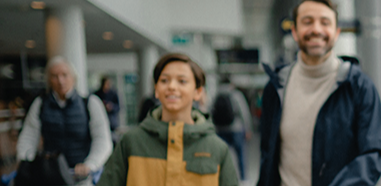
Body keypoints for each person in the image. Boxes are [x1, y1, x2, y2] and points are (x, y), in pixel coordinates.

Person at [258, 0, 381, 186]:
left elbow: (374, 153)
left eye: (325, 22)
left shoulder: (358, 86)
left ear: (336, 32)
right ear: (294, 31)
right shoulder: (277, 86)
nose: (316, 29)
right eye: (307, 22)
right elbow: (267, 156)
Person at [98, 53, 239, 186]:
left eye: (182, 81)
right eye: (164, 80)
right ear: (156, 89)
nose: (171, 87)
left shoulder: (217, 148)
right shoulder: (131, 142)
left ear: (198, 92)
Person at [17, 56, 112, 185]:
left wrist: (90, 164)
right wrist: (26, 161)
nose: (60, 81)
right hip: (51, 175)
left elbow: (103, 140)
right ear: (49, 80)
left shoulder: (90, 103)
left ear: (73, 77)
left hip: (81, 178)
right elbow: (28, 136)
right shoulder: (40, 104)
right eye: (55, 76)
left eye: (64, 75)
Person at [211, 76, 253, 181]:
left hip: (220, 130)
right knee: (240, 155)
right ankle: (243, 179)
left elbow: (210, 112)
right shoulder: (236, 94)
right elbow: (244, 112)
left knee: (221, 156)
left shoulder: (216, 94)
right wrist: (248, 128)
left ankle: (220, 178)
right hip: (236, 129)